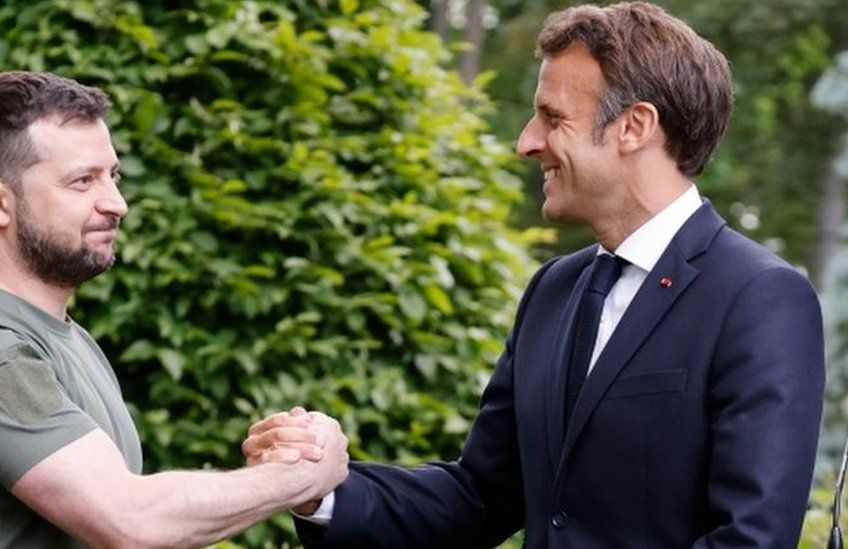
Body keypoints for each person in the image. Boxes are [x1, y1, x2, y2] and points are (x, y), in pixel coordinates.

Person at [242, 2, 826, 547]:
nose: (527, 142)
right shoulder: (554, 289)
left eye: (552, 117)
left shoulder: (761, 297)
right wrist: (318, 489)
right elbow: (480, 496)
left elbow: (749, 538)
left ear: (634, 127)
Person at [0, 71, 348, 549]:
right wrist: (300, 476)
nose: (117, 203)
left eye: (113, 176)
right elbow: (131, 522)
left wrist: (272, 468)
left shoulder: (62, 336)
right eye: (82, 181)